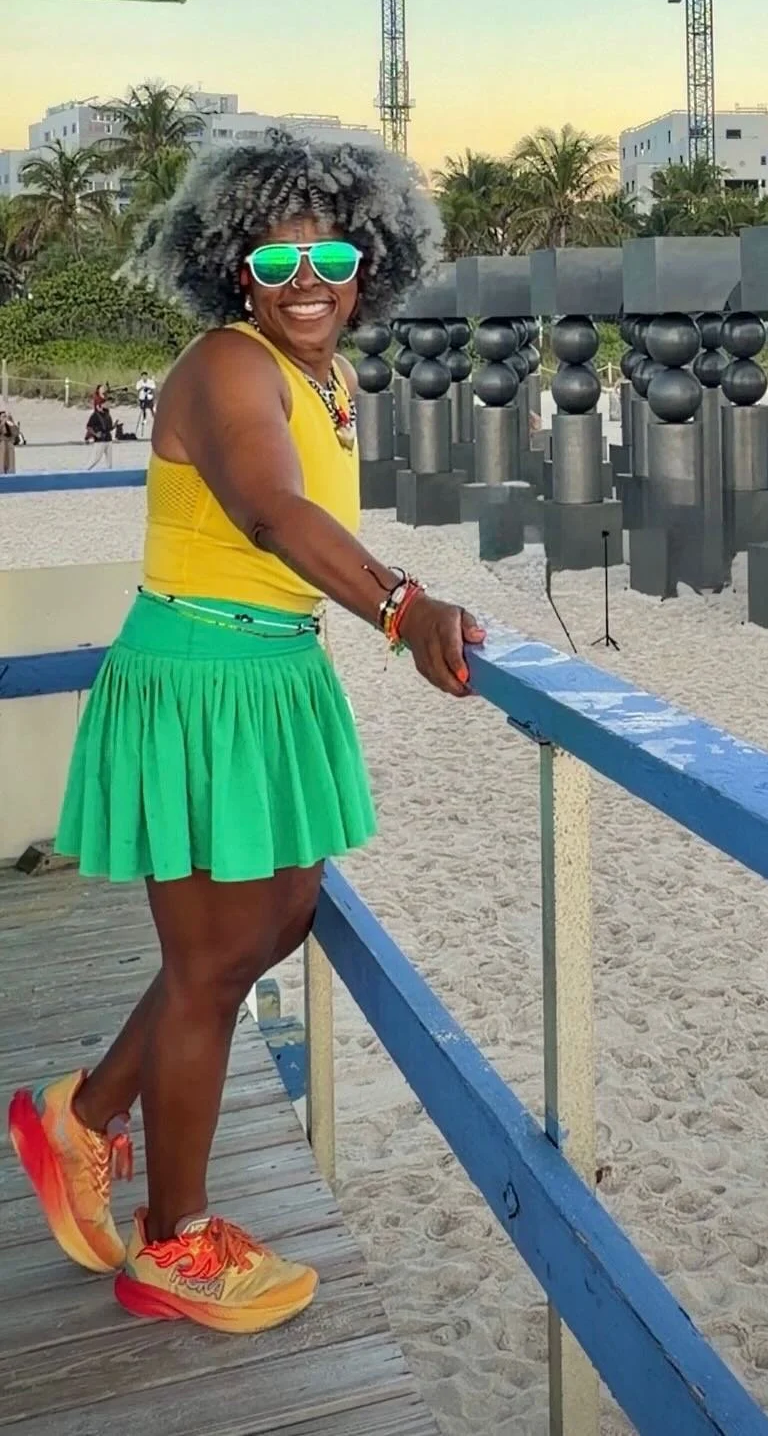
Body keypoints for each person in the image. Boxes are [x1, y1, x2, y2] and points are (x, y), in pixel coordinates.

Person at [8, 136, 481, 1337]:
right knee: (212, 965)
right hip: (204, 678)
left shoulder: (327, 374)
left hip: (274, 674)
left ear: (370, 262)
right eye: (277, 259)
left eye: (332, 256)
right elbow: (271, 511)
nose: (306, 279)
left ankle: (83, 1115)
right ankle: (174, 1240)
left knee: (277, 919)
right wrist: (405, 607)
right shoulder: (227, 365)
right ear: (235, 269)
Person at [85, 401, 115, 468]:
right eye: (105, 404)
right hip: (100, 440)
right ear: (99, 406)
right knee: (96, 459)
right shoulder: (95, 415)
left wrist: (114, 426)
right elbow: (88, 427)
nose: (107, 405)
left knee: (109, 461)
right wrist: (95, 434)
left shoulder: (107, 414)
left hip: (109, 439)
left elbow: (109, 428)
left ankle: (109, 472)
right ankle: (86, 470)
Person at [135, 370, 157, 436]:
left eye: (145, 376)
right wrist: (142, 387)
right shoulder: (139, 382)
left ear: (147, 376)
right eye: (143, 376)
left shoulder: (150, 381)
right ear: (141, 377)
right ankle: (144, 419)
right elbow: (137, 389)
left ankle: (155, 419)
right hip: (142, 398)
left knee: (151, 408)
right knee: (143, 409)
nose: (144, 377)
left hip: (149, 397)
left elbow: (153, 388)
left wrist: (148, 387)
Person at [0, 405, 20, 474]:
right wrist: (2, 423)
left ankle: (10, 470)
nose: (5, 418)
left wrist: (12, 422)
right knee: (2, 445)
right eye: (3, 416)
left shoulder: (9, 423)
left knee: (9, 445)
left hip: (8, 445)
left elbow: (16, 433)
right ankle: (1, 470)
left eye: (5, 416)